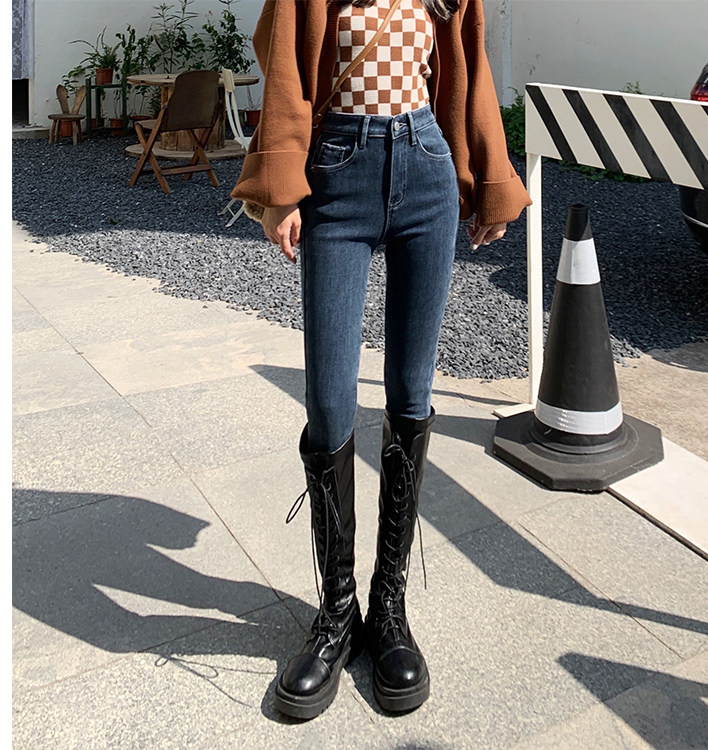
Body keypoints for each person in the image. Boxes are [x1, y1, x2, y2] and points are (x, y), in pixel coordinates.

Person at [231, 0, 532, 720]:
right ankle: (337, 613)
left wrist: (488, 180)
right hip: (338, 169)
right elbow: (283, 64)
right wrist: (279, 189)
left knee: (410, 391)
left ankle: (387, 606)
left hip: (426, 165)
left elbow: (471, 66)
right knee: (330, 401)